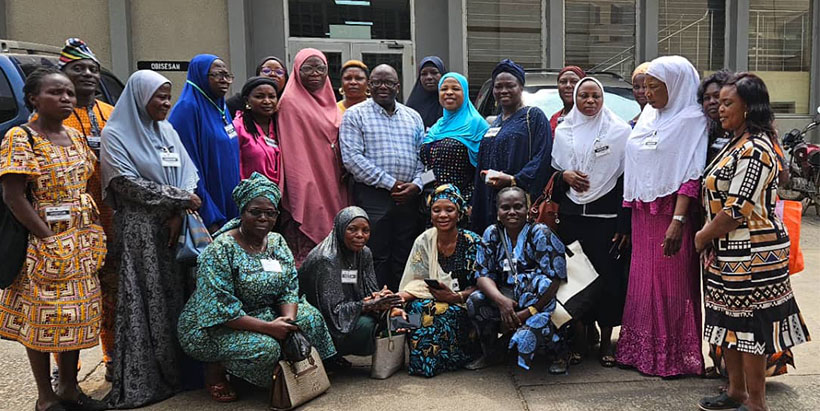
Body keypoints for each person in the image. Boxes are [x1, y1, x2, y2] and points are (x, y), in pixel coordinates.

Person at [696, 73, 811, 411]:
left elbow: (737, 209)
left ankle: (756, 402)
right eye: (719, 102)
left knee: (750, 331)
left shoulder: (757, 148)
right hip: (726, 251)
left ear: (749, 108)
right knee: (728, 324)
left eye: (728, 103)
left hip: (753, 254)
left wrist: (703, 236)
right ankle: (735, 392)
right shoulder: (735, 142)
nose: (719, 108)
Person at [0, 68, 107, 411]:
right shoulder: (22, 137)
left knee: (74, 317)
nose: (65, 99)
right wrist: (48, 239)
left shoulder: (75, 137)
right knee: (44, 319)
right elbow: (13, 196)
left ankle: (69, 389)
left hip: (81, 240)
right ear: (33, 98)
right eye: (56, 93)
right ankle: (45, 397)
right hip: (42, 242)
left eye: (69, 94)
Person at [177, 172, 336, 402]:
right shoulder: (220, 250)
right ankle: (217, 369)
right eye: (256, 212)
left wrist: (287, 322)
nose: (263, 218)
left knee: (310, 319)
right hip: (215, 325)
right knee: (266, 347)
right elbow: (220, 310)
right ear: (242, 212)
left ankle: (285, 369)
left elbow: (289, 286)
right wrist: (270, 328)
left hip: (263, 312)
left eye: (270, 213)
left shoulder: (276, 242)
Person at [100, 70, 201, 408]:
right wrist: (178, 199)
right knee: (148, 297)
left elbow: (190, 172)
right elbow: (124, 184)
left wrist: (179, 206)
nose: (166, 103)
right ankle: (152, 376)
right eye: (159, 96)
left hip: (176, 224)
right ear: (139, 97)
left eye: (168, 96)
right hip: (142, 230)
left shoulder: (168, 131)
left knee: (179, 297)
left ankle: (183, 372)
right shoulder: (116, 134)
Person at [617, 55, 706, 378]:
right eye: (646, 87)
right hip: (644, 213)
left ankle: (673, 357)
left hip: (672, 214)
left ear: (677, 86)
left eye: (655, 87)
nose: (648, 94)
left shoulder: (693, 120)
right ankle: (641, 352)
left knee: (672, 285)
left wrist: (678, 222)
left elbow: (691, 174)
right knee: (642, 283)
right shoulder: (648, 117)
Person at [551, 77, 631, 368]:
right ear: (575, 98)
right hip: (573, 221)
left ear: (603, 98)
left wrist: (625, 225)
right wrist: (565, 177)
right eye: (583, 96)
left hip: (607, 222)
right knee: (576, 281)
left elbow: (625, 182)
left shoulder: (620, 132)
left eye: (595, 96)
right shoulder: (564, 130)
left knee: (608, 280)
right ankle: (581, 339)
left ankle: (607, 342)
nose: (589, 101)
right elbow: (553, 175)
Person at [52, 38, 118, 380]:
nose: (89, 75)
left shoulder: (111, 113)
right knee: (69, 299)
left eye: (93, 69)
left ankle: (111, 358)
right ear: (62, 75)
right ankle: (66, 369)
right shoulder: (53, 116)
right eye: (78, 69)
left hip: (110, 218)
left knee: (112, 292)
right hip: (68, 224)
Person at [340, 64, 425, 291]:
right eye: (377, 82)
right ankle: (377, 306)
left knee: (405, 254)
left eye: (389, 82)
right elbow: (352, 159)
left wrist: (416, 186)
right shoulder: (355, 115)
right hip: (373, 196)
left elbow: (423, 158)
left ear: (398, 86)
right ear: (369, 87)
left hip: (408, 198)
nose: (383, 87)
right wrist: (391, 184)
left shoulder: (413, 117)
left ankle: (402, 304)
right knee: (376, 254)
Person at [467, 187, 568, 372]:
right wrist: (502, 302)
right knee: (475, 301)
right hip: (506, 295)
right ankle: (492, 353)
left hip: (539, 299)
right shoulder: (492, 233)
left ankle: (558, 355)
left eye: (518, 206)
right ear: (498, 211)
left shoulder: (540, 232)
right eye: (505, 207)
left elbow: (555, 278)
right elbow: (482, 274)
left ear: (527, 209)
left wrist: (530, 310)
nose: (512, 212)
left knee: (544, 287)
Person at [299, 206, 402, 365]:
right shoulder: (327, 260)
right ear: (340, 229)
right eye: (352, 229)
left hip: (352, 308)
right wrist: (367, 305)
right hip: (326, 321)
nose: (360, 235)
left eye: (365, 230)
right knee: (369, 326)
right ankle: (328, 356)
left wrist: (383, 299)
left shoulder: (364, 253)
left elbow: (371, 290)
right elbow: (333, 313)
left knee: (403, 317)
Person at [397, 184, 481, 377]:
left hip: (464, 305)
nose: (442, 215)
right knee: (417, 309)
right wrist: (397, 299)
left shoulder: (473, 242)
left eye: (449, 210)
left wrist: (455, 297)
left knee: (434, 311)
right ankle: (421, 363)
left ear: (459, 213)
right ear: (430, 214)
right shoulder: (424, 240)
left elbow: (483, 283)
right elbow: (415, 280)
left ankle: (451, 358)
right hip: (431, 298)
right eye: (437, 210)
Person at [278, 48, 349, 266]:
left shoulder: (331, 101)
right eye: (308, 68)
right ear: (297, 70)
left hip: (333, 179)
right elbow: (293, 149)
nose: (315, 73)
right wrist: (302, 185)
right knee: (310, 246)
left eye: (321, 67)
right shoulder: (290, 102)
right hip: (307, 177)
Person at [471, 59, 553, 234]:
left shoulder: (534, 117)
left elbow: (542, 158)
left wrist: (514, 180)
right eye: (498, 86)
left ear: (521, 87)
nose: (503, 90)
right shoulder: (494, 123)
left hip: (519, 207)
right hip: (493, 204)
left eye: (510, 85)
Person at [169, 54, 240, 232]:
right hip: (207, 206)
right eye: (217, 75)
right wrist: (209, 214)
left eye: (227, 75)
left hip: (229, 197)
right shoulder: (187, 109)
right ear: (200, 75)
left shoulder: (221, 107)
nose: (224, 80)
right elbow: (187, 166)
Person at [420, 73, 488, 208]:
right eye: (444, 89)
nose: (449, 93)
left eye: (455, 89)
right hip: (433, 203)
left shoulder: (476, 124)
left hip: (462, 205)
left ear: (465, 93)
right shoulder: (438, 125)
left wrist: (471, 204)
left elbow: (484, 169)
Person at [233, 76, 282, 186]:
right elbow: (233, 166)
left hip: (280, 195)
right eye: (259, 97)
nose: (267, 101)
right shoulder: (238, 127)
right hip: (250, 197)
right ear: (247, 101)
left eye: (272, 96)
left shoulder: (281, 127)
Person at [698, 70, 733, 163]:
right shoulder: (705, 132)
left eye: (717, 96)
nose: (711, 102)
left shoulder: (741, 132)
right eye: (706, 98)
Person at [406, 56, 447, 129]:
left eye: (434, 73)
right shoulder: (412, 107)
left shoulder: (452, 103)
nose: (429, 77)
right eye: (424, 74)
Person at [550, 66, 586, 133]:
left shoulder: (591, 117)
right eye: (563, 82)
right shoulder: (553, 119)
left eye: (574, 81)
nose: (568, 85)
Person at [629, 62, 650, 127]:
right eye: (636, 87)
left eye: (645, 87)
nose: (641, 91)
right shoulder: (630, 124)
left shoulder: (660, 121)